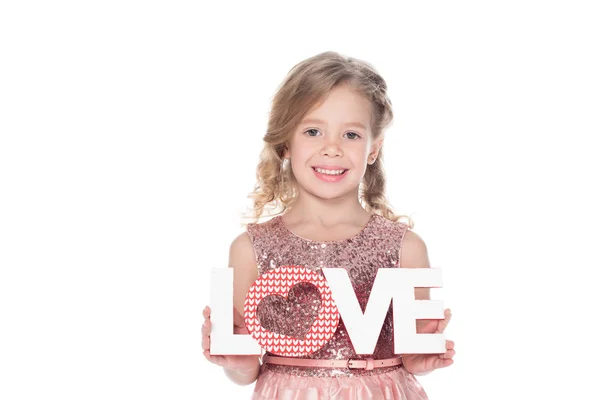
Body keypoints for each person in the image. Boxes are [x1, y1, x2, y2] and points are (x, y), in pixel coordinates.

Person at [201, 51, 455, 399]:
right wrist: (235, 361)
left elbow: (412, 352)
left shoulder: (405, 248)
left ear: (373, 148)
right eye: (313, 131)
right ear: (286, 143)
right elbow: (246, 368)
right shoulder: (250, 249)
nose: (332, 148)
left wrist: (421, 357)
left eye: (350, 135)